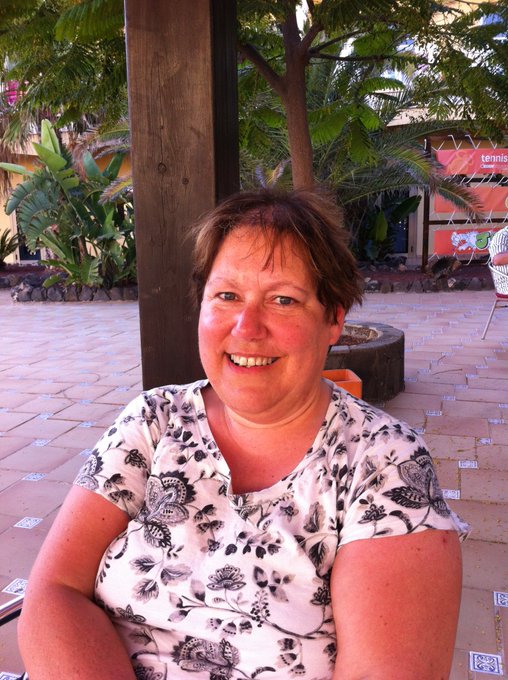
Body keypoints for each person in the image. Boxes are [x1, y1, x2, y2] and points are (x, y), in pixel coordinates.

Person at [19, 188, 469, 680]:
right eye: (227, 296)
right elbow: (55, 590)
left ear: (333, 318)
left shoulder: (383, 463)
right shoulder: (153, 420)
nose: (246, 327)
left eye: (283, 299)